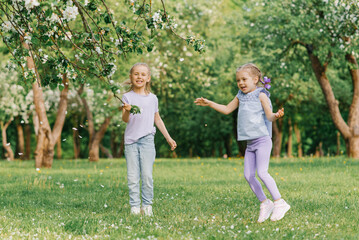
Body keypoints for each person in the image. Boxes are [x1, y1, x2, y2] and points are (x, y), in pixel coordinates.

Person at [194, 63, 290, 223]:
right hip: (250, 144)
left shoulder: (261, 95)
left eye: (244, 79)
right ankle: (265, 203)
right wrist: (210, 103)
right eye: (238, 80)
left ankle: (280, 202)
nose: (241, 83)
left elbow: (269, 116)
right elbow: (226, 109)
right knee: (248, 175)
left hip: (263, 140)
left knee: (262, 173)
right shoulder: (240, 96)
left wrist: (276, 115)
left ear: (255, 79)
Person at [122, 62, 177, 216]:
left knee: (147, 175)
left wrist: (168, 138)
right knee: (133, 176)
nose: (139, 77)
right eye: (136, 74)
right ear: (131, 77)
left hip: (147, 140)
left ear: (148, 78)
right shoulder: (127, 97)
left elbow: (157, 119)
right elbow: (125, 119)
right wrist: (126, 110)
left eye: (143, 74)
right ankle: (134, 207)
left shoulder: (153, 98)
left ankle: (147, 206)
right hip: (131, 142)